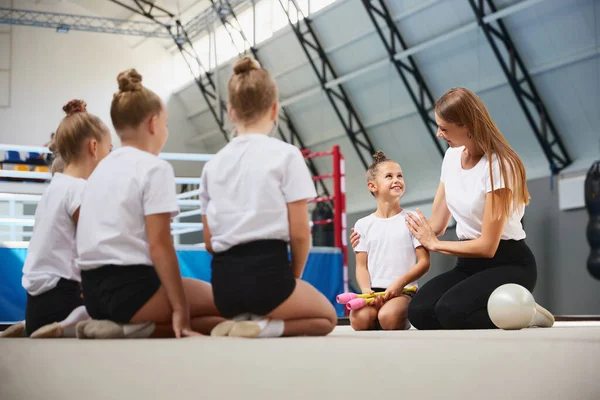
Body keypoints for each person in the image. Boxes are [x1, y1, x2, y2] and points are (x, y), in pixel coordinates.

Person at [351, 87, 548, 330]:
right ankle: (511, 311)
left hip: (509, 263)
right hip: (468, 265)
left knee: (451, 312)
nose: (438, 133)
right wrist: (376, 235)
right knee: (420, 312)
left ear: (467, 126)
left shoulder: (500, 166)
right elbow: (437, 224)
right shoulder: (452, 157)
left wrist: (434, 245)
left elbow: (487, 246)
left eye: (443, 128)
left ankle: (523, 312)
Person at [74, 69, 223, 339]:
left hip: (94, 296)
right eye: (166, 125)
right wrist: (180, 307)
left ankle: (122, 327)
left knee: (211, 322)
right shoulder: (155, 168)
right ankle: (129, 327)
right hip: (134, 292)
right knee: (229, 305)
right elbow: (160, 245)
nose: (164, 131)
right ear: (153, 123)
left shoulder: (99, 170)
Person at [201, 57, 337, 338]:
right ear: (275, 109)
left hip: (224, 287)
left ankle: (238, 320)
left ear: (230, 112)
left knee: (217, 307)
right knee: (326, 317)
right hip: (270, 276)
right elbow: (300, 235)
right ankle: (264, 328)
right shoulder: (286, 155)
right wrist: (293, 280)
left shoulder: (212, 165)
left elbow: (209, 241)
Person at [1, 100, 112, 339]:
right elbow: (93, 249)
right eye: (109, 150)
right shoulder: (80, 189)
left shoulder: (54, 188)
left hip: (36, 305)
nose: (109, 158)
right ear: (94, 147)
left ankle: (27, 324)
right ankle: (68, 324)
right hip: (64, 300)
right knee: (115, 312)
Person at [350, 151, 430, 331]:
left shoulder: (412, 218)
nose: (397, 180)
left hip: (403, 291)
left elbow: (424, 262)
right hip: (373, 293)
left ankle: (393, 316)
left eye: (400, 176)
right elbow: (361, 266)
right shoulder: (363, 224)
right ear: (372, 186)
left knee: (388, 317)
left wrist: (399, 284)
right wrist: (366, 291)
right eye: (389, 176)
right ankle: (377, 316)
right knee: (359, 320)